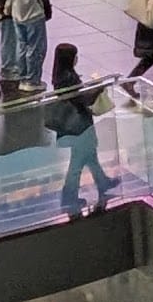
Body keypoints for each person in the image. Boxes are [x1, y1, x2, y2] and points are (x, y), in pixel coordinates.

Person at [47, 43, 110, 213]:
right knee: (77, 163)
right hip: (78, 127)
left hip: (73, 126)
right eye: (75, 56)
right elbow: (83, 100)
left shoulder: (60, 76)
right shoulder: (68, 78)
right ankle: (69, 197)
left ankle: (103, 182)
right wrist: (98, 87)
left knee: (90, 157)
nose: (77, 59)